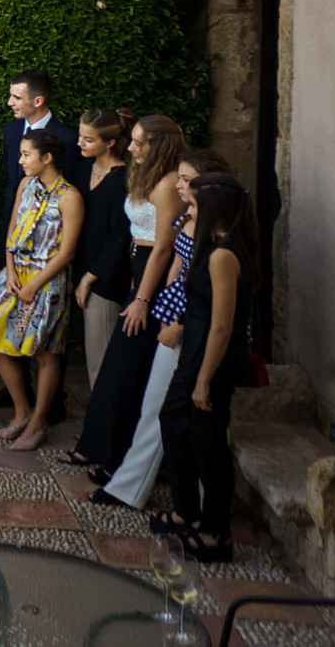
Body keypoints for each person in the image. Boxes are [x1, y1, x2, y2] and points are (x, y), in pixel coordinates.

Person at [93, 148, 229, 510]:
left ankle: (201, 508)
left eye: (187, 180)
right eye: (180, 178)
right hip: (174, 317)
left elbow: (207, 292)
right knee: (158, 409)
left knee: (184, 418)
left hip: (195, 328)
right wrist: (165, 312)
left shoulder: (221, 238)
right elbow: (177, 269)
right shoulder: (189, 217)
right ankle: (132, 486)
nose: (179, 185)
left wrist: (179, 325)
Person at [61, 114, 187, 478]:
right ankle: (95, 448)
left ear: (157, 146)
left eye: (137, 142)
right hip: (139, 270)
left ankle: (119, 462)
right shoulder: (145, 176)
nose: (130, 147)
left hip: (155, 278)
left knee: (127, 374)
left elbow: (164, 249)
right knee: (116, 372)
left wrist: (143, 300)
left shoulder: (166, 184)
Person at [155, 171, 257, 561]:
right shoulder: (209, 246)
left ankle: (217, 534)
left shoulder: (224, 255)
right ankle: (189, 512)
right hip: (197, 352)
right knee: (173, 421)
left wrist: (203, 380)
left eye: (195, 204)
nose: (188, 209)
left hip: (212, 359)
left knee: (209, 444)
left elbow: (223, 325)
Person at [0, 128, 84, 451]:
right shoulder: (25, 185)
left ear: (47, 158)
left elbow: (68, 252)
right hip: (16, 275)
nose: (20, 161)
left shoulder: (69, 197)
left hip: (48, 282)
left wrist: (35, 284)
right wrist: (11, 269)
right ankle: (22, 412)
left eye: (26, 155)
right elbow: (13, 228)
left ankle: (37, 424)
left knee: (45, 353)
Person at [70, 108, 135, 387]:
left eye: (88, 140)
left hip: (106, 280)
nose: (80, 144)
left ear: (109, 142)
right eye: (80, 137)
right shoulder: (84, 168)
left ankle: (101, 429)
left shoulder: (123, 180)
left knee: (101, 362)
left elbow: (120, 238)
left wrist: (90, 277)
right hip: (82, 268)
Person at [2, 71, 77, 233]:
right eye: (11, 96)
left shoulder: (66, 139)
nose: (9, 103)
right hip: (11, 223)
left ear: (38, 101)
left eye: (17, 98)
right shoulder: (10, 131)